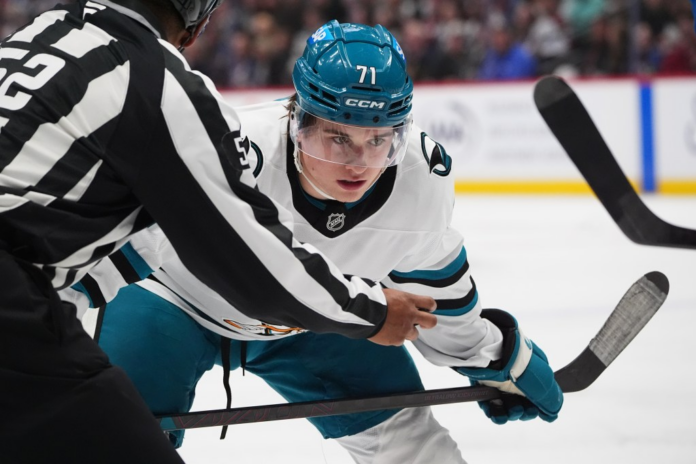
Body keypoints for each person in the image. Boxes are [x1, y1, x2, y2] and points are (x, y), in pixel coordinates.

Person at [65, 20, 564, 463]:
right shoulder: (234, 147)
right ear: (297, 118)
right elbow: (132, 240)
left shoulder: (420, 180)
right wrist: (47, 319)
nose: (359, 163)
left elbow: (437, 288)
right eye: (338, 137)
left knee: (415, 450)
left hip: (320, 319)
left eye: (378, 140)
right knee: (115, 443)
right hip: (174, 301)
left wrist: (492, 356)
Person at [0, 3, 439, 463]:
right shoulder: (162, 85)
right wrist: (371, 313)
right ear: (197, 23)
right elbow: (244, 257)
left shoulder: (36, 33)